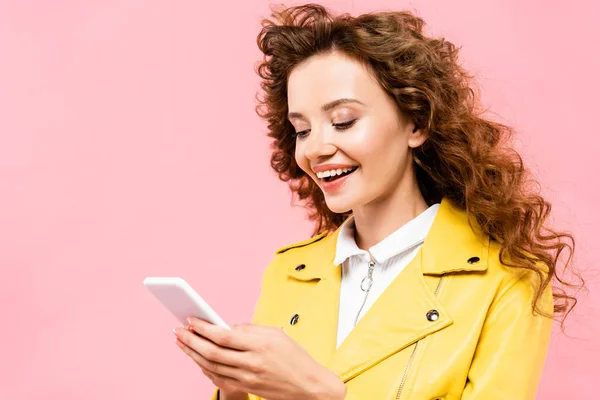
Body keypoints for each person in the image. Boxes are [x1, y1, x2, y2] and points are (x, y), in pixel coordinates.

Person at [172, 4, 581, 399]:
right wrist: (235, 388)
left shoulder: (508, 282)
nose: (316, 148)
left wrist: (320, 395)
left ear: (416, 121)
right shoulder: (289, 272)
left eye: (343, 121)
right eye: (301, 130)